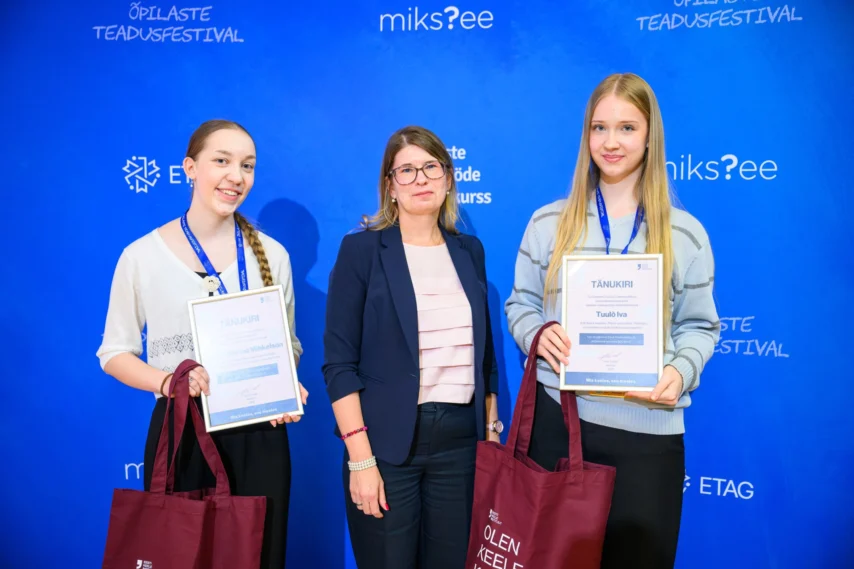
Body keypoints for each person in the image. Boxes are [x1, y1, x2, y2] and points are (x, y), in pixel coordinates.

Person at [505, 73, 720, 569]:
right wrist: (539, 334)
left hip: (648, 434)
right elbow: (519, 304)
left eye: (627, 127)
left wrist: (680, 371)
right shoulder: (547, 223)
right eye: (599, 128)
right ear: (586, 136)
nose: (611, 141)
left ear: (649, 136)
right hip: (559, 427)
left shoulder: (686, 234)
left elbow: (700, 326)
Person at [96, 119, 308, 569]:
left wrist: (289, 384)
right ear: (190, 168)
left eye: (247, 166)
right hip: (181, 431)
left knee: (258, 557)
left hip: (260, 433)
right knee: (181, 556)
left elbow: (287, 345)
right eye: (222, 161)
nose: (237, 176)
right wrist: (171, 380)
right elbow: (114, 354)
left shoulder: (273, 255)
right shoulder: (141, 256)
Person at [322, 125, 501, 569]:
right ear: (390, 185)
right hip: (385, 447)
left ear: (447, 178)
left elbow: (485, 358)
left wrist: (491, 429)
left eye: (430, 167)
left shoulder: (469, 251)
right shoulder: (362, 251)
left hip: (460, 444)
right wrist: (361, 461)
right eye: (407, 170)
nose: (420, 179)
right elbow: (339, 364)